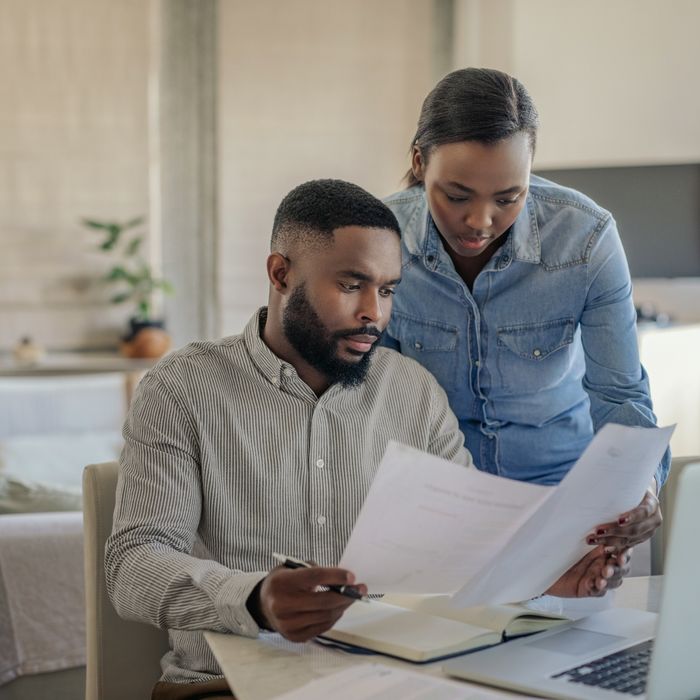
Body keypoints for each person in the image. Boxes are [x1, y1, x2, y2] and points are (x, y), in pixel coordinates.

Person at [106, 179, 630, 699]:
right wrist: (255, 599)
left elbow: (469, 545)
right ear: (280, 273)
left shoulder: (414, 392)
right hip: (226, 686)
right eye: (351, 284)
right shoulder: (181, 388)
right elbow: (134, 564)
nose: (373, 314)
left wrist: (546, 578)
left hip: (393, 681)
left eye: (386, 290)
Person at [381, 67, 667, 552]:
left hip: (563, 498)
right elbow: (368, 397)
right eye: (456, 196)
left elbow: (620, 396)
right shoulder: (379, 238)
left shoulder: (586, 239)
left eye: (508, 197)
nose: (480, 221)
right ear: (418, 161)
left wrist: (641, 487)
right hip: (434, 500)